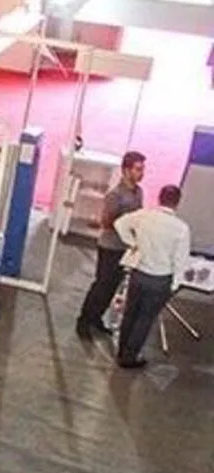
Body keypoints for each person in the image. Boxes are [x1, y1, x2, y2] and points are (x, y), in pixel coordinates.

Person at [112, 185, 192, 369]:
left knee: (130, 314)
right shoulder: (181, 229)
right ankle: (130, 357)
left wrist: (133, 243)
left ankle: (121, 351)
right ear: (177, 202)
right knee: (145, 319)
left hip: (139, 272)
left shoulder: (144, 216)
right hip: (160, 279)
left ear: (159, 198)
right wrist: (175, 284)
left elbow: (119, 224)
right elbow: (180, 259)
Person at [77, 151, 146, 340]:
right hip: (110, 247)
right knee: (101, 285)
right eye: (138, 169)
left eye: (142, 169)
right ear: (126, 170)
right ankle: (84, 320)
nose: (141, 173)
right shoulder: (115, 195)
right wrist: (125, 222)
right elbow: (106, 222)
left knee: (113, 286)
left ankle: (96, 317)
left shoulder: (138, 192)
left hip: (125, 248)